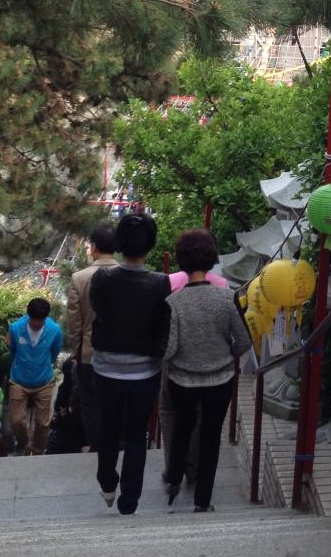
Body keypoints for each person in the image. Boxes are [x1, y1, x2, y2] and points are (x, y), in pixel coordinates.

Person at [164, 228, 251, 513]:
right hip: (220, 379)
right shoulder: (227, 298)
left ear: (181, 261)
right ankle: (203, 501)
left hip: (181, 379)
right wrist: (226, 356)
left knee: (182, 427)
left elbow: (169, 348)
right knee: (211, 436)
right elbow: (244, 340)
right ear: (212, 258)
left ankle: (174, 479)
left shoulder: (173, 303)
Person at [90, 213, 170, 515]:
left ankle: (107, 481)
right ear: (150, 245)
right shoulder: (160, 283)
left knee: (108, 428)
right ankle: (130, 500)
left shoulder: (102, 279)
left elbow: (97, 308)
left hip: (106, 368)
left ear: (119, 244)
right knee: (137, 433)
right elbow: (163, 324)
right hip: (145, 371)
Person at [160, 235, 229, 485]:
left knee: (170, 412)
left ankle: (173, 468)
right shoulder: (222, 286)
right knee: (200, 416)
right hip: (212, 363)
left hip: (175, 362)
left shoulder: (169, 283)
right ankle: (194, 468)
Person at [65, 224, 117, 451]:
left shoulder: (79, 278)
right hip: (121, 350)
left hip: (89, 351)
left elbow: (74, 323)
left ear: (94, 247)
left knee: (89, 400)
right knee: (116, 400)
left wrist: (76, 352)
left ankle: (96, 445)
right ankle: (116, 443)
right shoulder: (127, 274)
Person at [7, 297, 62, 455]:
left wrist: (45, 364)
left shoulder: (55, 330)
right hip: (19, 380)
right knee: (16, 420)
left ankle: (38, 450)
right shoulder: (16, 328)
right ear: (28, 316)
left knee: (43, 423)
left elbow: (55, 352)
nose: (37, 323)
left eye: (41, 320)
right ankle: (24, 442)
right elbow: (13, 351)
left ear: (46, 317)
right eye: (34, 319)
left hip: (44, 381)